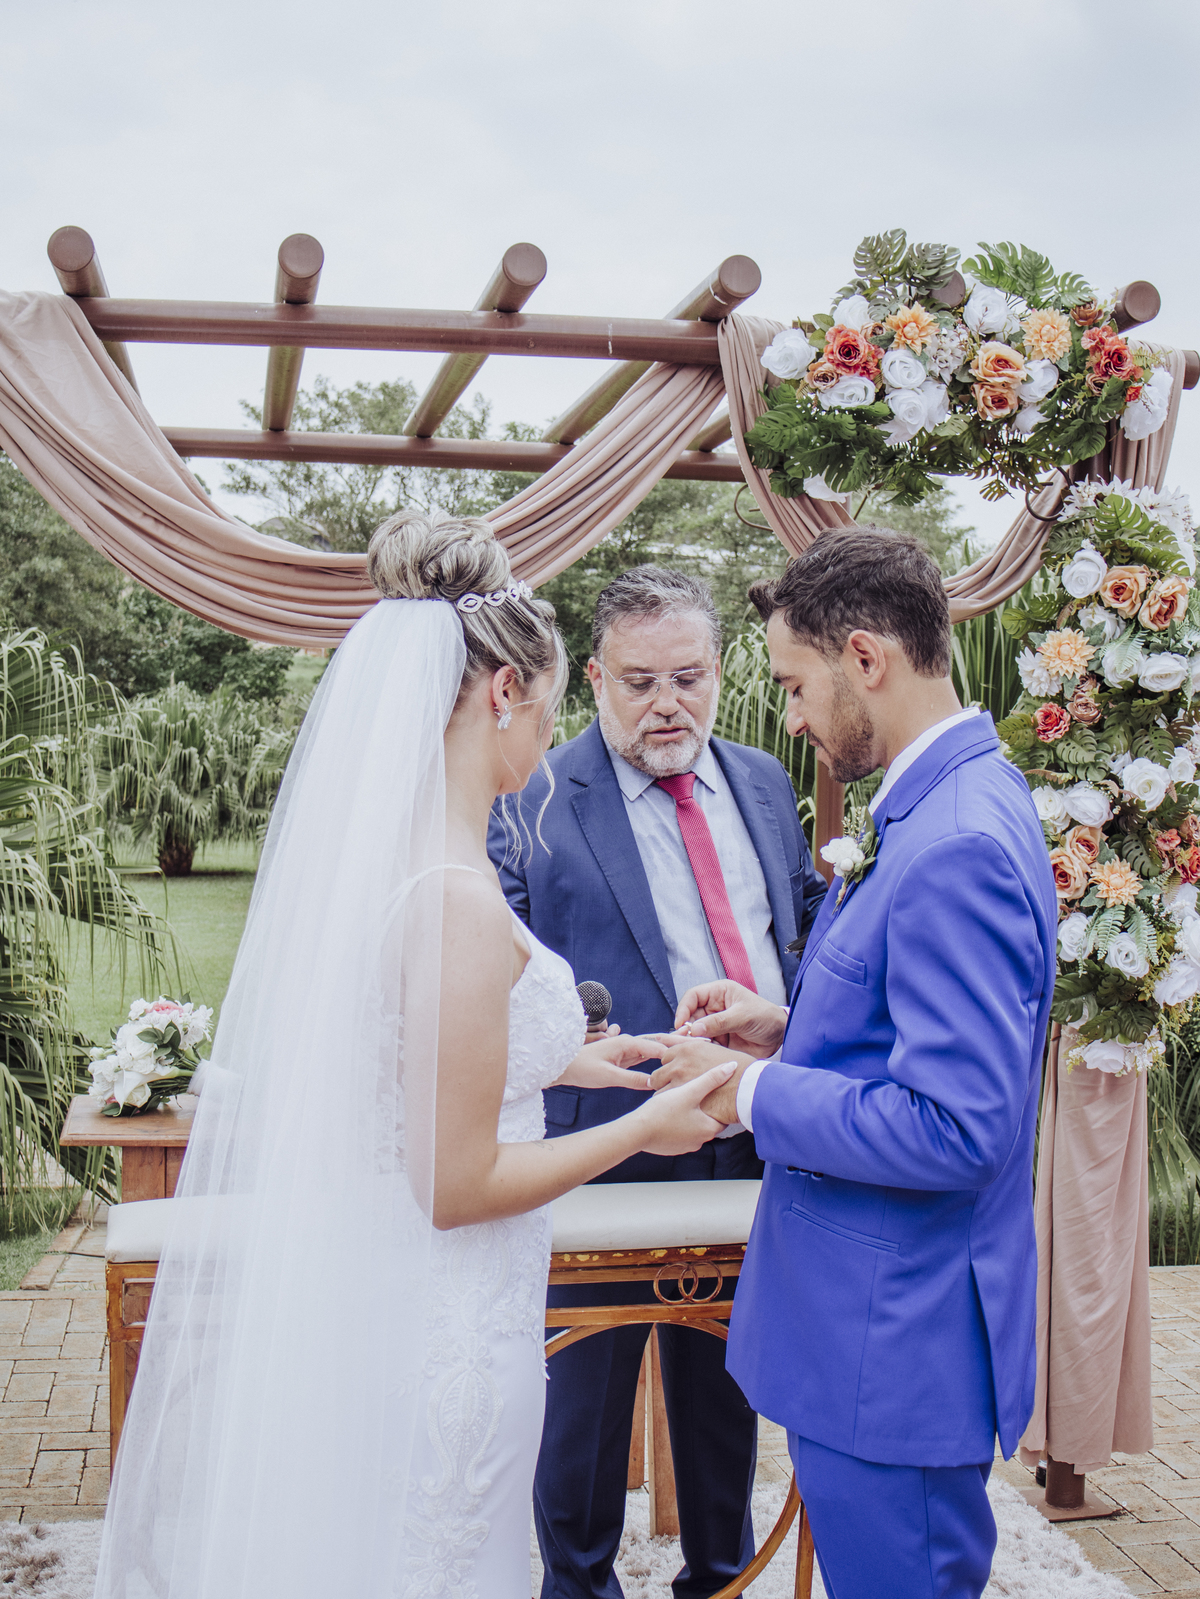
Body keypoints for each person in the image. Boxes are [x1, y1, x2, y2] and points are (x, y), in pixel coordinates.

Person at [93, 512, 736, 1599]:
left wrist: (581, 1062)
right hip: (450, 1318)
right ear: (504, 693)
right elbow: (455, 1185)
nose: (552, 736)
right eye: (550, 705)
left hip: (424, 1298)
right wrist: (644, 1127)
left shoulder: (409, 863)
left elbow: (408, 1059)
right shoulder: (456, 900)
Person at [652, 529, 1058, 1599]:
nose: (788, 715)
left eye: (795, 684)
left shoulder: (957, 838)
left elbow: (957, 1127)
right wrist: (787, 1031)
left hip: (896, 1344)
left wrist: (747, 1092)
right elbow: (911, 1026)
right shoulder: (941, 798)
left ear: (865, 657)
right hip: (866, 1328)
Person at [488, 566, 827, 1599]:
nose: (667, 703)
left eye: (688, 677)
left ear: (719, 669)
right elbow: (497, 972)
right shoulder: (535, 793)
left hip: (758, 1131)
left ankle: (719, 1577)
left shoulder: (762, 780)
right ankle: (580, 1585)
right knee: (582, 1403)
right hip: (604, 1142)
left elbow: (801, 930)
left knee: (731, 1382)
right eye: (640, 682)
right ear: (595, 678)